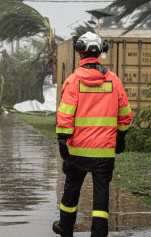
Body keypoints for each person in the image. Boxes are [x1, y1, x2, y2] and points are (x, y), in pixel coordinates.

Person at [53, 32, 133, 237]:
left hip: (77, 150)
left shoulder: (73, 81)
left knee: (71, 189)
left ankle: (66, 228)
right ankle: (98, 233)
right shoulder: (114, 81)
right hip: (104, 152)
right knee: (101, 195)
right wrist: (121, 138)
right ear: (101, 52)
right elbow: (125, 115)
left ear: (80, 52)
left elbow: (65, 115)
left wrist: (63, 142)